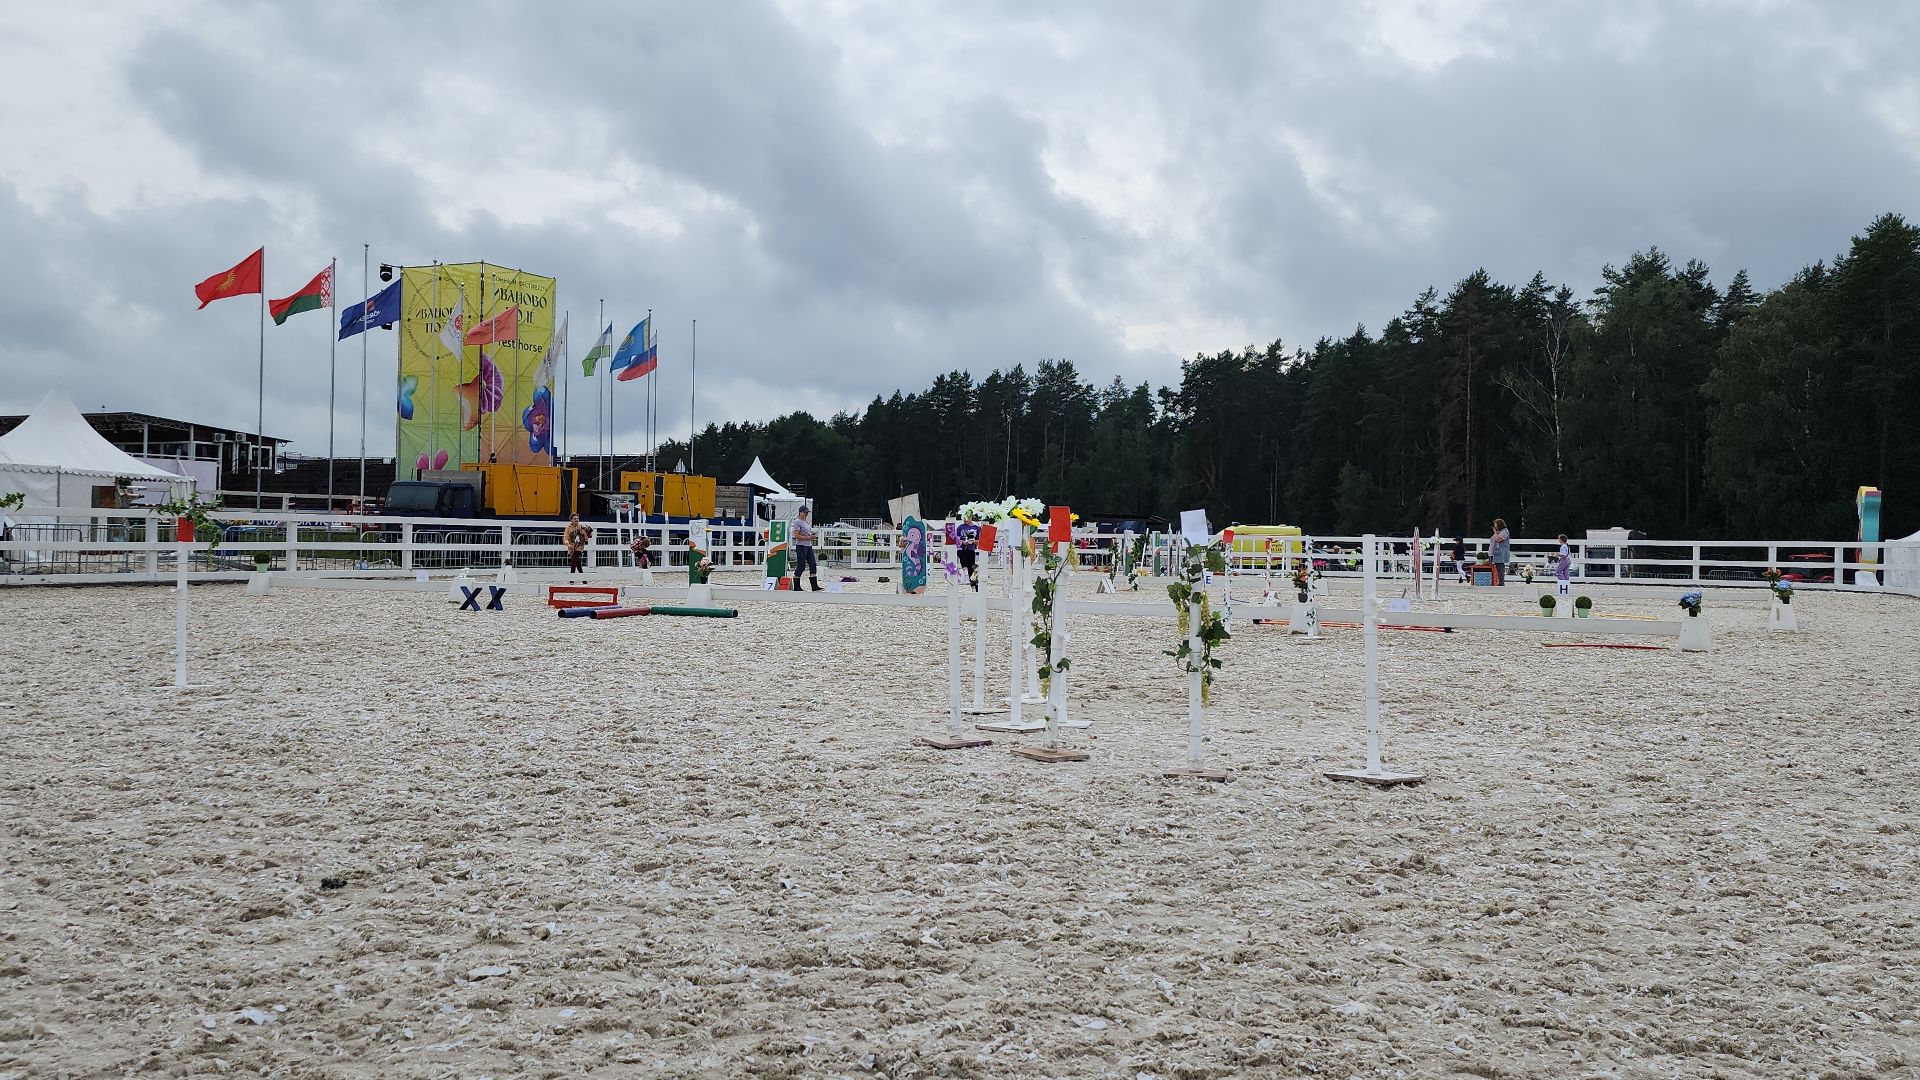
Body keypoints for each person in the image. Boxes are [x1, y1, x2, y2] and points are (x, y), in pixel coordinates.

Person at [791, 504, 821, 591]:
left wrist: (811, 536)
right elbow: (797, 536)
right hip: (801, 546)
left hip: (808, 545)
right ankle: (796, 585)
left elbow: (806, 534)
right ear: (800, 513)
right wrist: (808, 537)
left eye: (807, 512)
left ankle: (814, 585)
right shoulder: (797, 522)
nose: (806, 514)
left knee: (813, 564)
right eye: (805, 512)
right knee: (801, 566)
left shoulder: (806, 522)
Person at [955, 514, 982, 591]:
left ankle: (974, 587)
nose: (965, 519)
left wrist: (973, 541)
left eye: (967, 518)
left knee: (973, 568)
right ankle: (965, 574)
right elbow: (956, 539)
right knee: (963, 557)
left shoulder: (976, 528)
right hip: (962, 548)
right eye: (964, 518)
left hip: (971, 549)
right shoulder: (960, 527)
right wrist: (963, 542)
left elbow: (979, 541)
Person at [564, 513, 592, 577]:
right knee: (577, 562)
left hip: (579, 546)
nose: (576, 520)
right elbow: (566, 537)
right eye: (574, 519)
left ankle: (572, 578)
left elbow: (587, 539)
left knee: (574, 561)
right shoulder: (568, 528)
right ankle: (582, 578)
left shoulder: (581, 526)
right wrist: (568, 545)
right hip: (571, 547)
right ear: (571, 520)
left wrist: (584, 533)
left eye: (577, 518)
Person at [1490, 517, 1511, 582]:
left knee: (1500, 567)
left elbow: (1498, 539)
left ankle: (1501, 582)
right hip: (1497, 552)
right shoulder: (1499, 532)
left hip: (1501, 552)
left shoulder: (1505, 532)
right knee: (1497, 567)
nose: (1494, 526)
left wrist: (1495, 532)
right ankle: (1497, 581)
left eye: (1495, 524)